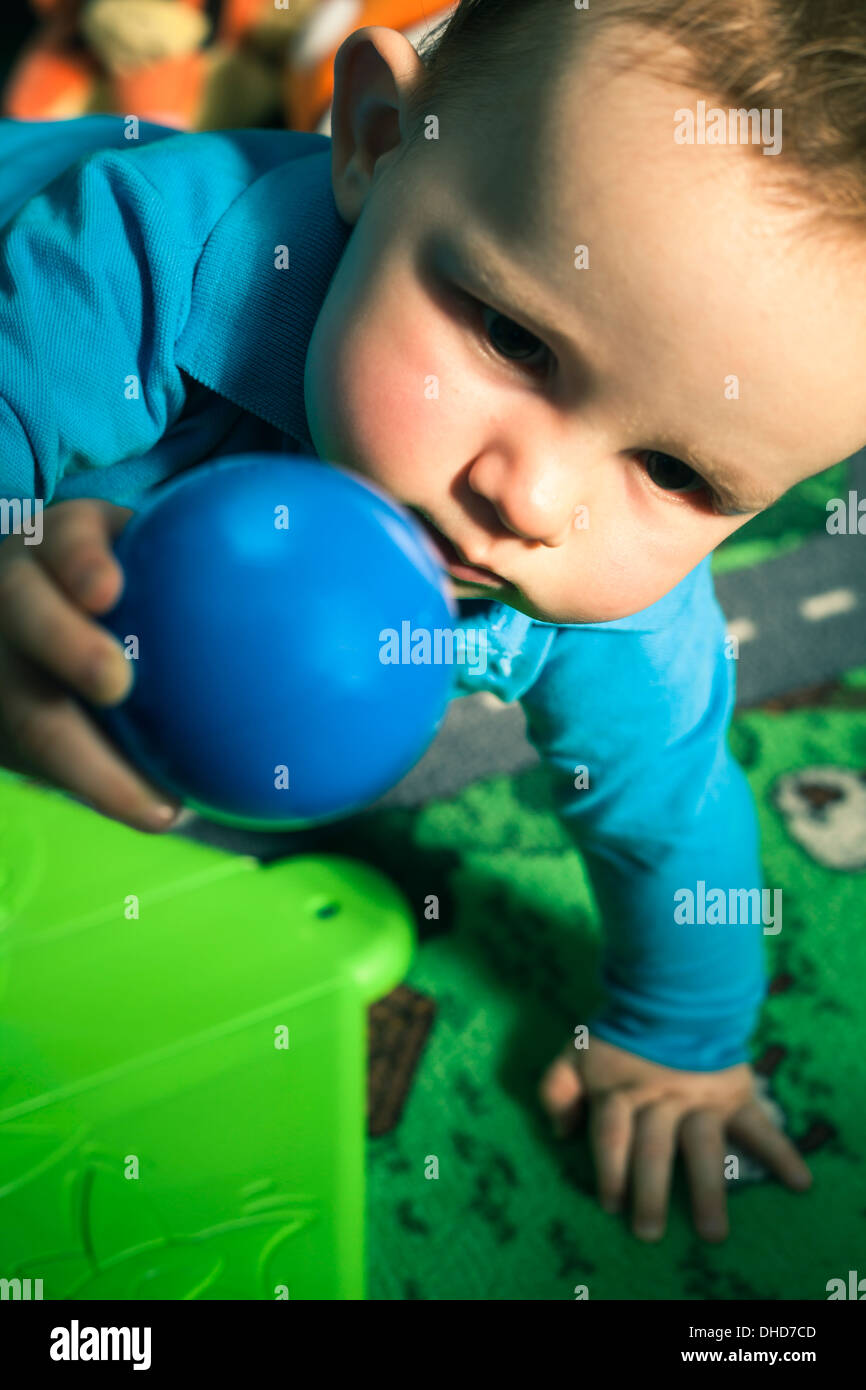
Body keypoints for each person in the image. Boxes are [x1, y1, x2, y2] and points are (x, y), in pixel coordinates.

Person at [2, 0, 863, 1244]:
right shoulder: (139, 250)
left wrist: (681, 1036)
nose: (534, 501)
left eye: (678, 474)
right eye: (514, 337)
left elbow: (671, 808)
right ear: (371, 139)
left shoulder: (620, 613)